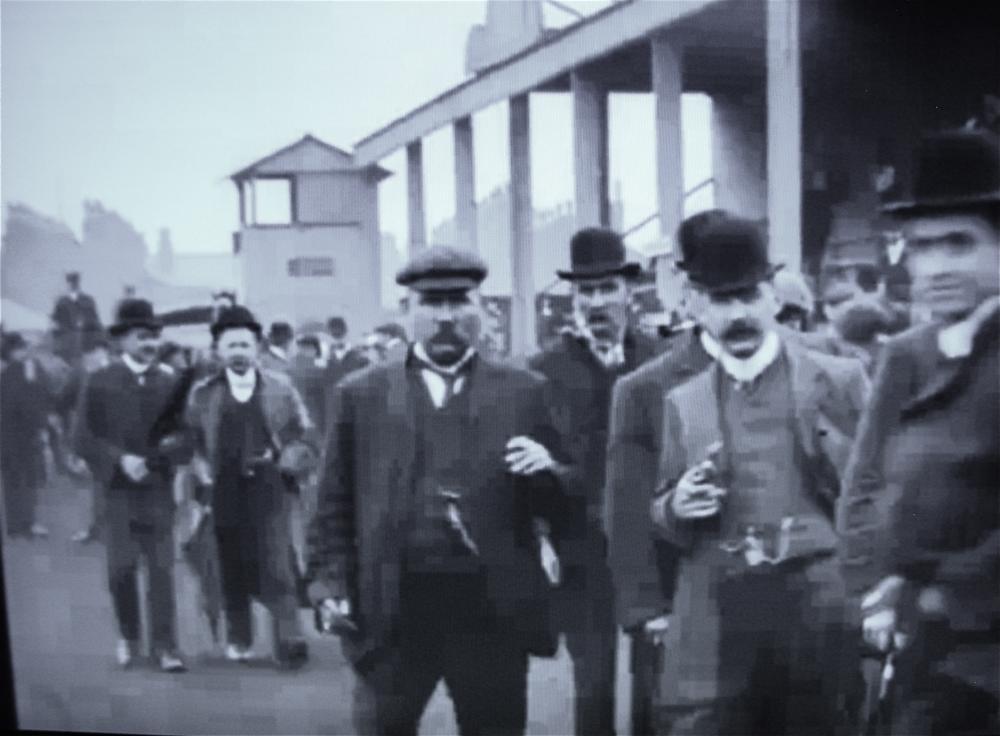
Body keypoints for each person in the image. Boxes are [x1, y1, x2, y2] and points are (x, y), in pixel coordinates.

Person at [307, 245, 572, 736]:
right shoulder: (362, 395)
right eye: (431, 302)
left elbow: (563, 502)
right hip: (393, 612)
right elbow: (332, 503)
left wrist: (549, 470)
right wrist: (330, 585)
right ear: (406, 311)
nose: (446, 316)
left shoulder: (524, 391)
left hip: (489, 614)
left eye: (459, 301)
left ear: (482, 309)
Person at [648, 215, 870, 735]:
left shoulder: (839, 380)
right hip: (724, 622)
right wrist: (675, 505)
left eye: (748, 297)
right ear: (698, 306)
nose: (738, 315)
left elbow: (878, 493)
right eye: (721, 301)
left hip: (817, 615)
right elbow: (661, 508)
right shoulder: (685, 402)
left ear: (773, 297)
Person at [840, 128, 1000, 735]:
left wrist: (935, 595)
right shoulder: (908, 353)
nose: (933, 267)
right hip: (917, 652)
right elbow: (864, 481)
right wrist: (870, 593)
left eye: (958, 244)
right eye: (919, 247)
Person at [528, 227, 663, 735]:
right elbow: (529, 464)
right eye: (586, 292)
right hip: (580, 542)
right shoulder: (543, 372)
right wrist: (541, 535)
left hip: (654, 540)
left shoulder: (661, 358)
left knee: (654, 674)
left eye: (607, 289)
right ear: (573, 299)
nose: (597, 302)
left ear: (629, 291)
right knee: (594, 680)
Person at [604, 210, 723, 735]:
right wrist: (647, 609)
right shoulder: (644, 388)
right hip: (678, 605)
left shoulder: (816, 373)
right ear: (686, 293)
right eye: (711, 287)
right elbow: (626, 510)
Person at [185, 305, 314, 669]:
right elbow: (191, 441)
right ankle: (239, 637)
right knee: (230, 565)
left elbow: (306, 434)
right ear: (218, 351)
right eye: (231, 346)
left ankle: (290, 640)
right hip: (222, 490)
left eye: (245, 344)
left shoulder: (281, 387)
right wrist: (200, 473)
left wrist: (290, 458)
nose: (239, 352)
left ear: (258, 347)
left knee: (277, 563)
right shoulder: (203, 393)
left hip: (270, 488)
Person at [75, 299, 187, 672]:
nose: (150, 343)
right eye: (142, 336)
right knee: (121, 570)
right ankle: (129, 637)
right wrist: (119, 460)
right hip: (117, 494)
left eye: (154, 336)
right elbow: (82, 437)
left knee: (162, 573)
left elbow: (187, 438)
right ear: (122, 340)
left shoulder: (172, 381)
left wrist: (160, 459)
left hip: (158, 492)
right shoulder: (100, 381)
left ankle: (166, 647)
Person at [1, 332, 53, 539]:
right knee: (26, 481)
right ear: (14, 351)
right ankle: (27, 524)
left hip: (9, 437)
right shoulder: (18, 372)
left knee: (13, 482)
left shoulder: (9, 372)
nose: (27, 352)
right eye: (23, 348)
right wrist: (41, 427)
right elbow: (26, 405)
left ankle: (16, 526)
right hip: (22, 435)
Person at [51, 271, 103, 364]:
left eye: (75, 282)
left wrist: (98, 345)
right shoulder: (61, 302)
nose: (73, 284)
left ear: (78, 283)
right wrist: (56, 350)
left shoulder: (88, 300)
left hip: (86, 347)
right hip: (67, 349)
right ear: (67, 283)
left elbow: (95, 323)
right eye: (70, 282)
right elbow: (55, 326)